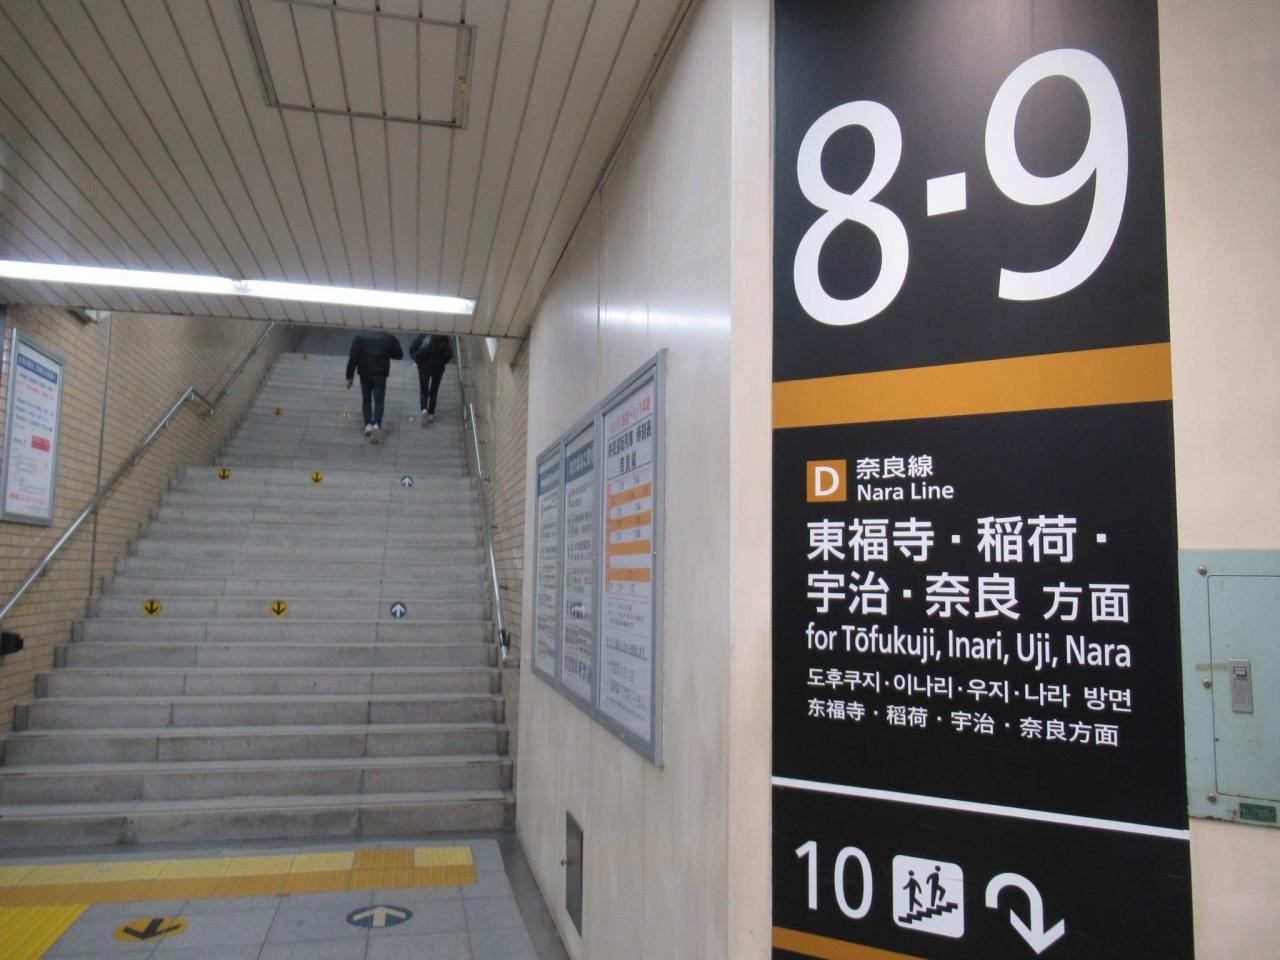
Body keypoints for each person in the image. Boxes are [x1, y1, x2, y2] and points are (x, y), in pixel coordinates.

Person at [345, 329, 403, 443]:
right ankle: (376, 425)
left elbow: (353, 357)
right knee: (379, 400)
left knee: (366, 400)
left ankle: (368, 425)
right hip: (380, 374)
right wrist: (386, 352)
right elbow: (399, 355)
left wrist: (349, 377)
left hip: (365, 372)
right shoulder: (389, 337)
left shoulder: (360, 336)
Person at [408, 332, 453, 425]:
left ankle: (424, 409)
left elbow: (412, 348)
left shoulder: (423, 335)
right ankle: (431, 414)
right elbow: (449, 355)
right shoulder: (443, 338)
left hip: (424, 368)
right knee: (434, 391)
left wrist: (417, 360)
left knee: (424, 390)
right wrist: (442, 363)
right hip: (438, 369)